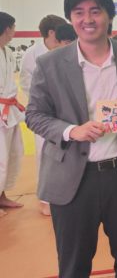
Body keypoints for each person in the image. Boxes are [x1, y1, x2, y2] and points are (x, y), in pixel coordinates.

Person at [25, 0, 117, 277]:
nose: (88, 19)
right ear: (70, 18)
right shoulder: (50, 64)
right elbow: (34, 115)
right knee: (74, 266)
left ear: (109, 16)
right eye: (79, 12)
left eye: (95, 11)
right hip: (73, 178)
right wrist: (71, 131)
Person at [19, 14, 67, 216]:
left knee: (64, 154)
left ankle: (63, 192)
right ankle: (45, 199)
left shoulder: (65, 49)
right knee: (44, 153)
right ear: (51, 32)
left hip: (65, 111)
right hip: (44, 111)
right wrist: (46, 97)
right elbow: (25, 82)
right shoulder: (32, 54)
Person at [0, 12, 25, 218]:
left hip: (9, 110)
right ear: (7, 28)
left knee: (12, 154)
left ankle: (2, 195)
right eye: (14, 27)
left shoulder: (7, 51)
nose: (15, 31)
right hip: (1, 108)